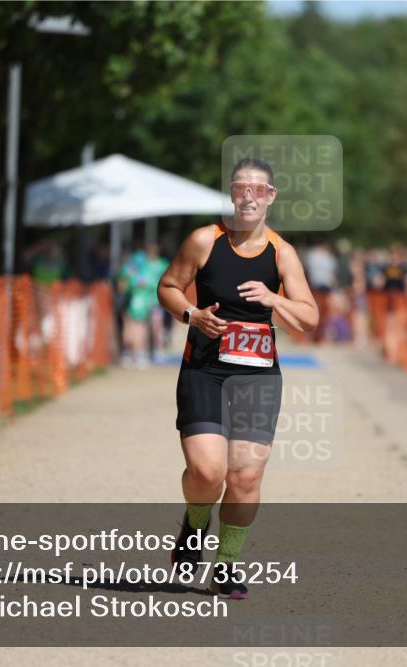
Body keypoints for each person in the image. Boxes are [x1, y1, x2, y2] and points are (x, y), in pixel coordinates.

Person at [157, 157, 318, 599]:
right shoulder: (204, 241)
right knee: (207, 471)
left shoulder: (282, 253)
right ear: (231, 193)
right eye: (241, 188)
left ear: (271, 197)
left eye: (258, 189)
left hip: (258, 378)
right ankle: (194, 524)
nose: (249, 197)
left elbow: (309, 318)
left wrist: (273, 298)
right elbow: (167, 287)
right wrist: (192, 315)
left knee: (245, 477)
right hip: (205, 370)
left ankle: (226, 565)